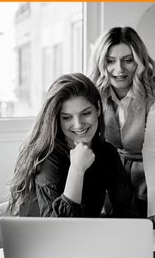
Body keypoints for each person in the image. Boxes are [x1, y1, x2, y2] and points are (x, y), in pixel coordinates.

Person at [89, 26, 155, 229]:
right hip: (116, 172)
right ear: (101, 63)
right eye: (110, 61)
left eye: (128, 60)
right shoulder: (93, 91)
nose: (119, 70)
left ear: (139, 60)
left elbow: (153, 151)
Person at [8, 73, 137, 218]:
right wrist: (77, 169)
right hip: (42, 239)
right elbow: (58, 230)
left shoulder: (107, 153)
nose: (78, 124)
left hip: (83, 237)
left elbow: (127, 212)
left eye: (86, 113)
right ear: (57, 119)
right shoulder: (47, 157)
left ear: (98, 109)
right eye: (67, 117)